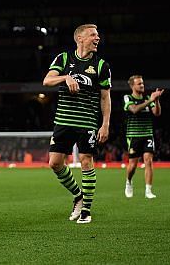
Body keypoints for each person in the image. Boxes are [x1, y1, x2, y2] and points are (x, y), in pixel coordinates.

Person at [43, 24, 112, 224]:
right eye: (93, 35)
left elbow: (105, 98)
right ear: (80, 38)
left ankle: (86, 211)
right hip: (63, 121)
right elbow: (47, 81)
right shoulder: (63, 59)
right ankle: (78, 195)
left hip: (87, 122)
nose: (97, 38)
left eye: (98, 35)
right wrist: (66, 77)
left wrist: (105, 124)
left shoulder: (101, 66)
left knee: (86, 161)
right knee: (55, 163)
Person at [123, 75, 163, 199]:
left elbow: (157, 113)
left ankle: (148, 190)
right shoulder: (127, 98)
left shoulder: (147, 98)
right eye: (139, 83)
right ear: (132, 86)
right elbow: (134, 110)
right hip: (133, 136)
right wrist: (151, 100)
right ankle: (129, 182)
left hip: (147, 134)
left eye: (142, 83)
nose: (142, 85)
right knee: (133, 165)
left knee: (148, 161)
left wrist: (156, 100)